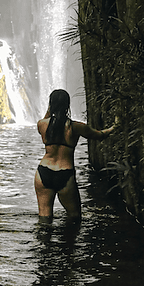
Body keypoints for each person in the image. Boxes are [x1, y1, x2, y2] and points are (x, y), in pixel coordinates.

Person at [34, 89, 115, 224]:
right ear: (67, 105)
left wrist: (50, 108)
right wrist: (115, 127)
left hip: (43, 172)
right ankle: (68, 243)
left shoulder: (42, 125)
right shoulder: (76, 127)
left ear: (51, 104)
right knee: (74, 217)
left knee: (44, 218)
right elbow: (100, 135)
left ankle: (43, 244)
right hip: (65, 174)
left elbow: (46, 119)